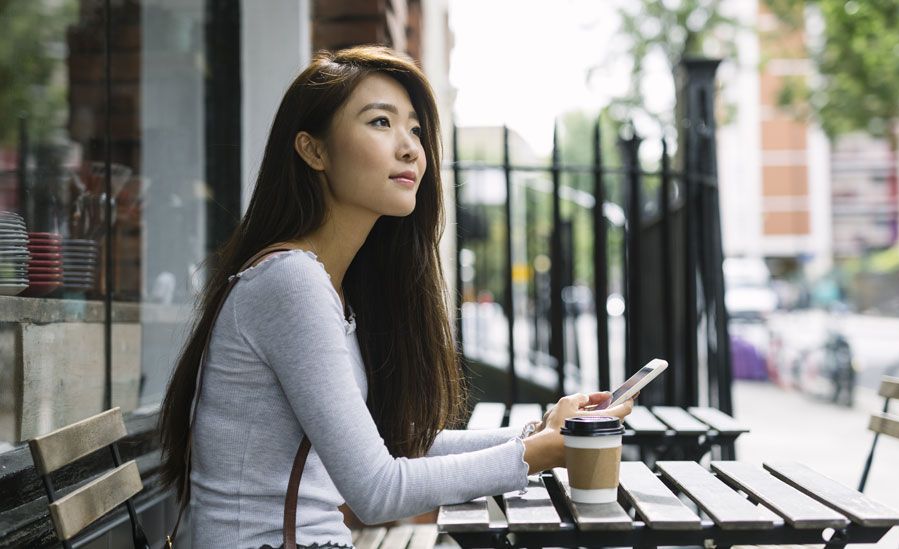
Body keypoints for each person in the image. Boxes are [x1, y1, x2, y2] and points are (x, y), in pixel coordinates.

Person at [157, 46, 635, 549]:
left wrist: (540, 431)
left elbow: (391, 446)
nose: (409, 148)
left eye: (414, 130)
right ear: (313, 151)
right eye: (381, 122)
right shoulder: (290, 283)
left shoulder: (326, 284)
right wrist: (539, 455)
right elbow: (377, 491)